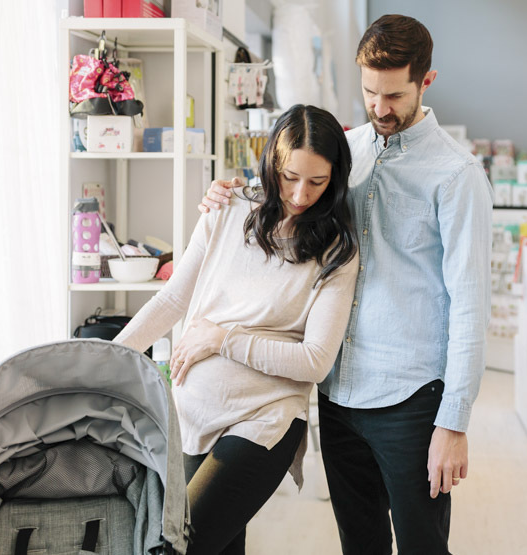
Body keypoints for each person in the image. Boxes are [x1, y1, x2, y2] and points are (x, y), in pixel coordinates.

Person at [199, 15, 493, 554]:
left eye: (395, 96)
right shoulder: (346, 150)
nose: (380, 108)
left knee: (423, 546)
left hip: (412, 397)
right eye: (370, 92)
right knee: (359, 544)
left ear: (426, 82)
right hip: (336, 394)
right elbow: (290, 189)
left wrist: (454, 422)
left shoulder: (457, 175)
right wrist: (227, 192)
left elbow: (472, 306)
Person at [115, 104, 359, 554]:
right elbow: (172, 299)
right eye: (290, 177)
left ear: (335, 179)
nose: (301, 194)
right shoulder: (227, 208)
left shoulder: (336, 252)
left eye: (317, 182)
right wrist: (106, 359)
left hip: (265, 419)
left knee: (176, 545)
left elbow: (315, 361)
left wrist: (221, 339)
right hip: (192, 413)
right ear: (271, 164)